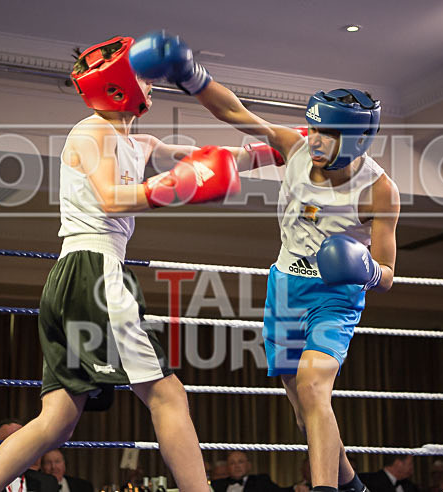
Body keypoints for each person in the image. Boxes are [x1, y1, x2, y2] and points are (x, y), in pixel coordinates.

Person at [0, 35, 242, 492]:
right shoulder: (92, 130)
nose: (150, 84)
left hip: (75, 276)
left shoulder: (136, 140)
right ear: (118, 86)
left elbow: (210, 160)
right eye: (141, 77)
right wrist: (177, 186)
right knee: (167, 395)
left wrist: (279, 152)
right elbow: (114, 199)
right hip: (94, 270)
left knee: (58, 419)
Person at [129, 31, 399, 492]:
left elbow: (389, 276)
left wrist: (365, 268)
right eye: (312, 128)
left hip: (335, 298)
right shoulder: (293, 147)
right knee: (302, 405)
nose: (314, 140)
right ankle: (352, 483)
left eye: (327, 135)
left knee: (315, 389)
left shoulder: (380, 190)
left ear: (356, 140)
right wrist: (188, 76)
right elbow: (234, 111)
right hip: (284, 289)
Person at [210, 452, 291, 492]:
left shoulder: (261, 481)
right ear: (227, 467)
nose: (237, 466)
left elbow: (280, 491)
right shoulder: (216, 485)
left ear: (249, 465)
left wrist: (295, 488)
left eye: (240, 462)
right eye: (232, 463)